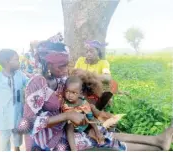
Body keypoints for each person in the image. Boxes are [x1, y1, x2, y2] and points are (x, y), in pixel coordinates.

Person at [13, 34, 173, 151]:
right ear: (47, 65)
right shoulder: (37, 83)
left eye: (66, 65)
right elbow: (27, 124)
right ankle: (155, 145)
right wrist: (67, 116)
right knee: (99, 141)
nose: (65, 70)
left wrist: (94, 111)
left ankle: (158, 140)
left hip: (66, 128)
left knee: (101, 131)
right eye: (60, 66)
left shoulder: (60, 79)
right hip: (48, 141)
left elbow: (75, 98)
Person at [0, 49, 28, 151]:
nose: (19, 62)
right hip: (4, 113)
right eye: (16, 59)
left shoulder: (20, 75)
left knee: (17, 133)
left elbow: (28, 83)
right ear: (7, 62)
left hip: (17, 111)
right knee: (5, 137)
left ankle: (17, 148)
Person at [62, 76, 104, 151]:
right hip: (71, 128)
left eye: (74, 92)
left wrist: (97, 132)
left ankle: (98, 139)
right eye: (67, 91)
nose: (69, 95)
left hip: (84, 126)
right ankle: (73, 148)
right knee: (69, 125)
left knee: (96, 134)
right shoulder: (64, 103)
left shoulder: (83, 103)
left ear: (80, 93)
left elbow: (91, 117)